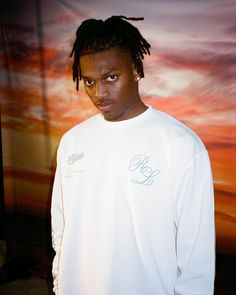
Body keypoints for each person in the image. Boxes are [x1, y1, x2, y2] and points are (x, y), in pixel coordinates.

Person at [51, 16, 215, 295]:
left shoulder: (180, 144)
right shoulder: (72, 142)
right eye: (88, 81)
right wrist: (59, 283)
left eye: (111, 77)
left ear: (136, 70)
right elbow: (62, 227)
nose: (99, 92)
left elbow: (196, 252)